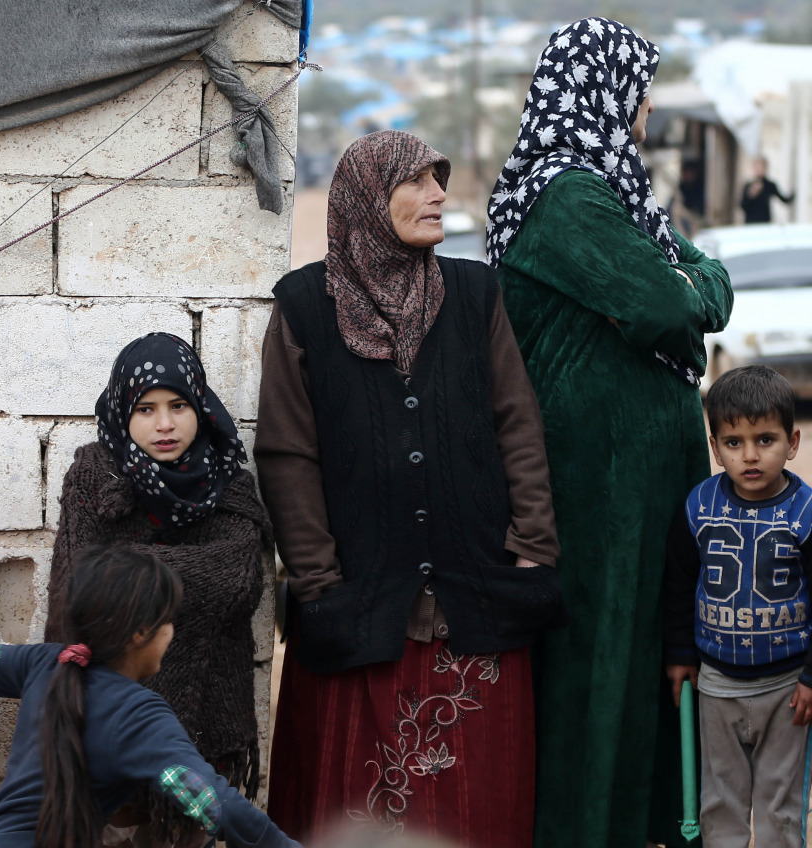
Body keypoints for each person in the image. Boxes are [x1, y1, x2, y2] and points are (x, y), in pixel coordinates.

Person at [257, 130, 566, 845]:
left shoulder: (474, 293)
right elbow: (285, 454)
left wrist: (531, 549)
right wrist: (318, 582)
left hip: (476, 593)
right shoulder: (305, 307)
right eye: (419, 182)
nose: (439, 195)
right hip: (361, 606)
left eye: (440, 179)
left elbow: (517, 425)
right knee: (358, 802)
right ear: (371, 198)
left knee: (476, 804)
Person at [485, 17, 734, 848]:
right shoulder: (569, 194)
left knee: (647, 655)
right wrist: (694, 288)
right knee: (602, 659)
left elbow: (686, 277)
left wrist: (690, 279)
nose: (648, 108)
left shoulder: (612, 192)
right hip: (599, 485)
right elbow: (672, 301)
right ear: (600, 87)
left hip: (636, 481)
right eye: (639, 88)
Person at [0, 545, 300, 848]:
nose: (171, 634)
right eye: (168, 622)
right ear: (139, 633)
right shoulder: (140, 716)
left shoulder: (47, 662)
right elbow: (213, 802)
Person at [45, 332, 271, 846]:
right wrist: (182, 577)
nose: (164, 424)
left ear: (202, 408)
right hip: (108, 720)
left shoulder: (231, 485)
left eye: (178, 405)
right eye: (145, 408)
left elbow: (237, 580)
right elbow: (76, 587)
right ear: (123, 411)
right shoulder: (92, 478)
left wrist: (123, 576)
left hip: (206, 725)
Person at [664, 365, 812, 847]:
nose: (750, 455)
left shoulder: (806, 513)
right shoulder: (697, 505)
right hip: (716, 684)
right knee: (719, 804)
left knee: (780, 808)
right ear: (715, 447)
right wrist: (680, 656)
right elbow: (680, 585)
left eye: (765, 440)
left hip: (787, 688)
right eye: (733, 443)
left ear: (792, 442)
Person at [741, 156, 795, 224]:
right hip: (751, 223)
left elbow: (785, 200)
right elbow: (743, 206)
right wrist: (751, 194)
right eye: (757, 167)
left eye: (761, 167)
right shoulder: (748, 186)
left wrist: (794, 194)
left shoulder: (770, 185)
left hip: (765, 223)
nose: (759, 170)